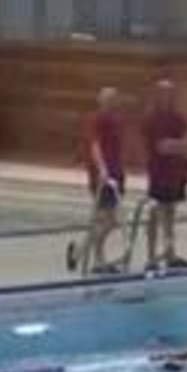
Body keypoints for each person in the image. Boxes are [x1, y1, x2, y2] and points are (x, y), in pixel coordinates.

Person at [143, 80, 187, 271]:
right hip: (158, 172)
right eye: (164, 93)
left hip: (176, 171)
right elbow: (161, 147)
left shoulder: (178, 117)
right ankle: (151, 256)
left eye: (171, 93)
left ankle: (170, 253)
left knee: (171, 214)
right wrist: (178, 145)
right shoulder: (151, 119)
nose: (168, 97)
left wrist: (176, 145)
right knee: (155, 214)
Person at [82, 87, 126, 274]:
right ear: (101, 101)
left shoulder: (116, 119)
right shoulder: (96, 119)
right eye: (109, 99)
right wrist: (102, 168)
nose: (113, 102)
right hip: (103, 175)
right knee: (106, 218)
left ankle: (86, 251)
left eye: (114, 99)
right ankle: (97, 258)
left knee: (111, 219)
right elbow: (95, 144)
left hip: (116, 173)